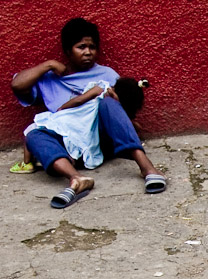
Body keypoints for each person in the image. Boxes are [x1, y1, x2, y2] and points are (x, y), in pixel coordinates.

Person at [10, 17, 166, 207]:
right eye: (81, 47)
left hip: (100, 140)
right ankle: (76, 179)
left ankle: (148, 169)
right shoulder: (50, 78)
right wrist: (49, 65)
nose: (88, 52)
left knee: (107, 102)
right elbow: (17, 85)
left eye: (92, 47)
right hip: (69, 145)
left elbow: (119, 113)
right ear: (68, 51)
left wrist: (118, 107)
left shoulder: (106, 75)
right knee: (34, 135)